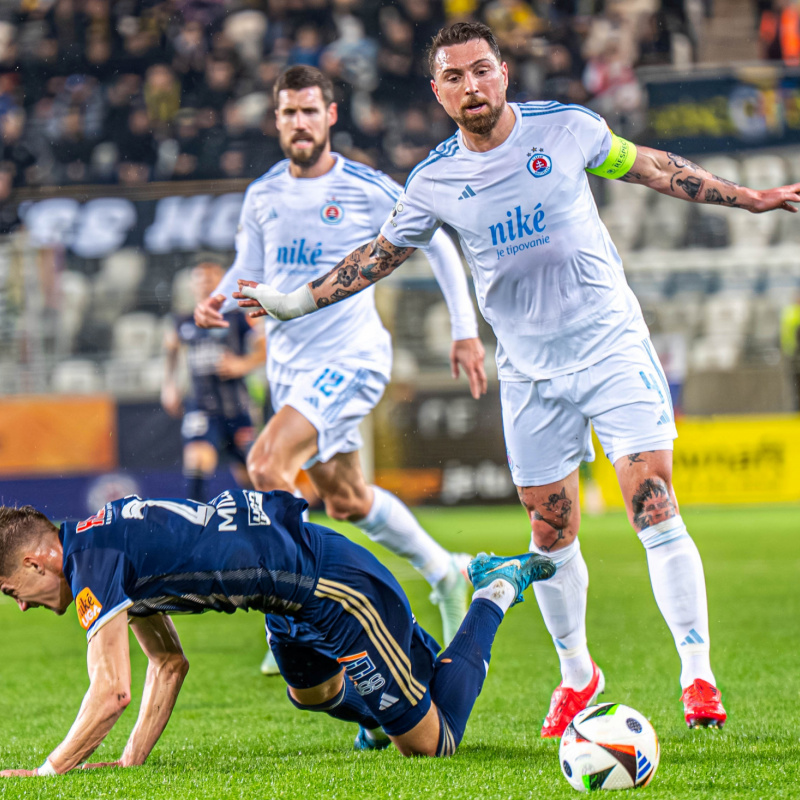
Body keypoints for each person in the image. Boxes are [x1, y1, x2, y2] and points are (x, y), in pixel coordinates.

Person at [234, 22, 800, 735]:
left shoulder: (568, 130)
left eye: (482, 71)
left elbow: (652, 166)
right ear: (438, 92)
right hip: (529, 372)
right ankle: (577, 676)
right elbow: (379, 255)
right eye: (455, 77)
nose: (472, 86)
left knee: (649, 499)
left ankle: (697, 674)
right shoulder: (435, 179)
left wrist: (747, 197)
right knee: (549, 529)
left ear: (504, 72)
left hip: (610, 346)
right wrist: (294, 299)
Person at [194, 65, 488, 666]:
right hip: (291, 370)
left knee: (266, 463)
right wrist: (218, 298)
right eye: (287, 112)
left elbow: (437, 243)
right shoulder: (264, 194)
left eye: (309, 111)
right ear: (275, 120)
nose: (298, 123)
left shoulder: (367, 187)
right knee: (349, 499)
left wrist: (464, 331)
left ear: (330, 116)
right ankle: (446, 573)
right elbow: (248, 265)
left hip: (351, 359)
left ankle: (300, 621)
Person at [0, 493, 554, 777]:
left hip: (330, 588)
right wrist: (129, 764)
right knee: (312, 692)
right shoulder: (103, 548)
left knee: (432, 746)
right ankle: (386, 707)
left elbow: (111, 693)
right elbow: (168, 665)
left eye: (11, 590)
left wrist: (48, 774)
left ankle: (494, 591)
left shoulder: (93, 564)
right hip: (284, 604)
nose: (20, 604)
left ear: (36, 559)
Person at [161, 260, 266, 502]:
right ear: (191, 285)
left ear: (222, 281)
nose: (205, 283)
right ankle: (196, 526)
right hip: (201, 406)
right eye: (200, 278)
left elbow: (266, 350)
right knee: (197, 461)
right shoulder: (182, 321)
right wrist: (169, 385)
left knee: (252, 473)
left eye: (211, 277)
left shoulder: (239, 317)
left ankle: (260, 523)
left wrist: (242, 365)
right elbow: (171, 351)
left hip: (237, 406)